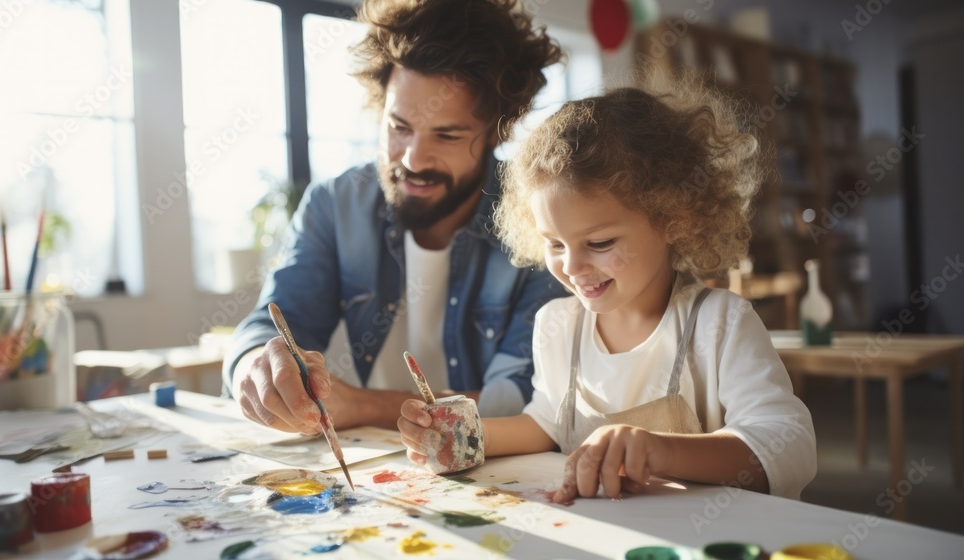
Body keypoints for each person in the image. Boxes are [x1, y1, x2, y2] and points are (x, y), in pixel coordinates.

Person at [398, 77, 818, 501]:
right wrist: (459, 436)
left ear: (675, 219)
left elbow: (788, 446)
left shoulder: (718, 322)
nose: (572, 267)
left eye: (599, 243)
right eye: (555, 244)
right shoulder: (558, 325)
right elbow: (545, 423)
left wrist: (661, 450)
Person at [224, 0, 567, 434]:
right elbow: (272, 326)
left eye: (447, 135)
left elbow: (525, 401)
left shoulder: (543, 220)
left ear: (499, 130)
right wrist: (257, 365)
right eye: (399, 127)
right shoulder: (335, 205)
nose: (413, 160)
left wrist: (362, 407)